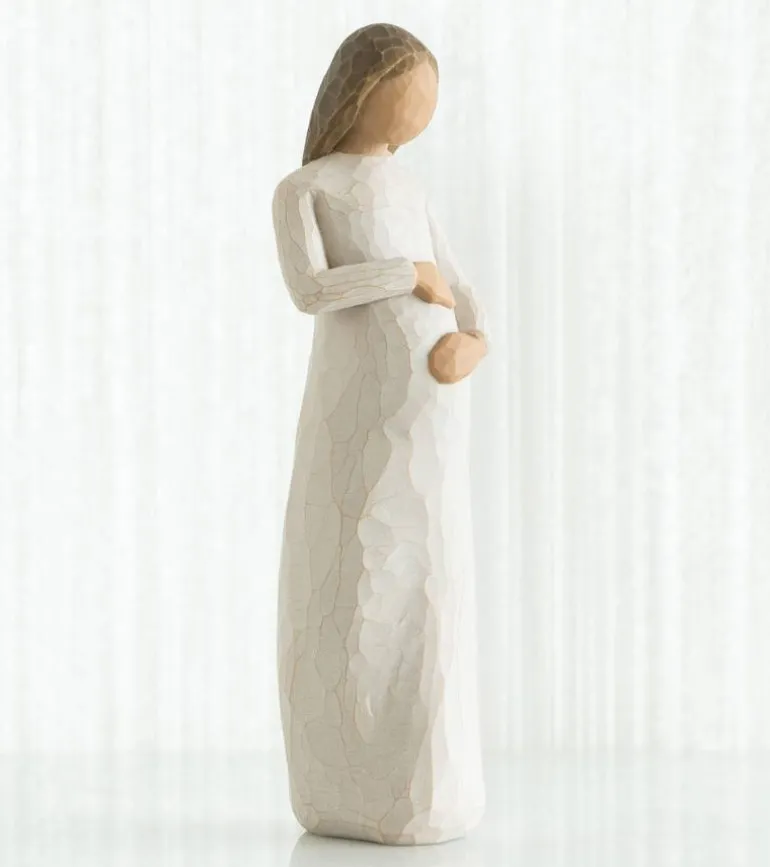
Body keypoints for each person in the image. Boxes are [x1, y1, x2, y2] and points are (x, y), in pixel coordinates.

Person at [271, 22, 489, 845]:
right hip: (352, 415)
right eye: (409, 94)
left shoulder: (411, 189)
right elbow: (311, 290)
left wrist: (475, 341)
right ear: (361, 90)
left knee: (427, 586)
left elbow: (459, 282)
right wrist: (404, 274)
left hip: (431, 415)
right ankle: (342, 779)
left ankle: (427, 780)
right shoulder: (306, 189)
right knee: (352, 578)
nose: (420, 114)